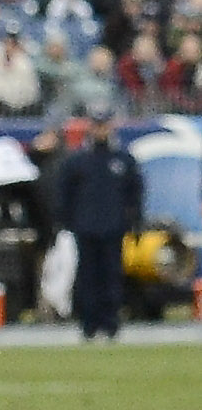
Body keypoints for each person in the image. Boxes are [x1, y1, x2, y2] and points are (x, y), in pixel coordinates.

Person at [49, 116, 140, 340]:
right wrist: (65, 222)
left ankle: (110, 324)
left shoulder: (123, 160)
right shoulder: (78, 161)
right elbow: (64, 194)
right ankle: (88, 324)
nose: (101, 130)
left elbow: (135, 194)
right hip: (85, 227)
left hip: (113, 228)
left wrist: (134, 222)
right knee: (87, 276)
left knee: (111, 275)